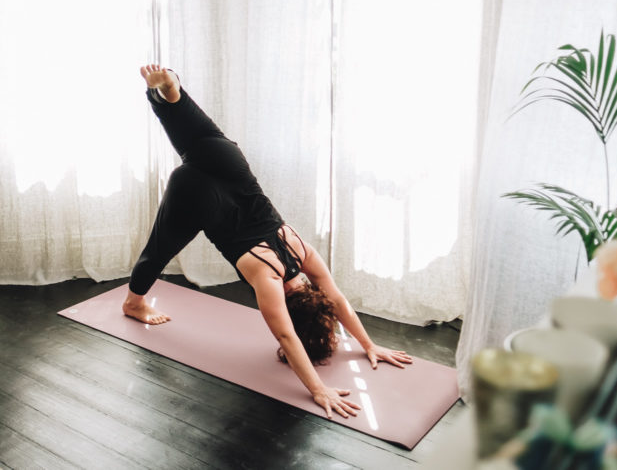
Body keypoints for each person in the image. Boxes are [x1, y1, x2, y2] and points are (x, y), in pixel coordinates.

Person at [123, 64, 414, 420]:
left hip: (231, 165)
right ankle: (134, 304)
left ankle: (171, 96)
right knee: (159, 250)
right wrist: (318, 389)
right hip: (198, 197)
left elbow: (336, 297)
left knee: (194, 138)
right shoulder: (269, 280)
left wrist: (369, 344)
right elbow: (288, 338)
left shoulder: (300, 249)